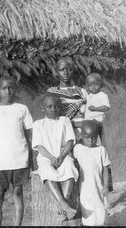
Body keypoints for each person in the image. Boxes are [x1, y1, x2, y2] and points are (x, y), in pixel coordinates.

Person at [0, 75, 34, 226]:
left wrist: (31, 163)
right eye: (4, 88)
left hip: (19, 159)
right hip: (0, 162)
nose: (8, 91)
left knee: (18, 194)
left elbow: (29, 137)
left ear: (15, 89)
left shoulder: (21, 109)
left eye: (11, 88)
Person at [32, 93, 79, 221]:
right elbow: (39, 146)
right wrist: (52, 158)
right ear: (43, 109)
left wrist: (62, 156)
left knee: (70, 168)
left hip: (63, 155)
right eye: (49, 107)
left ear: (61, 108)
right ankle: (64, 205)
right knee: (46, 171)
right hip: (46, 157)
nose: (53, 109)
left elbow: (70, 141)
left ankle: (62, 210)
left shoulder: (65, 121)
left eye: (57, 107)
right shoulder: (38, 124)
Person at [73, 120, 111, 226]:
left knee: (101, 214)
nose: (90, 140)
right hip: (84, 189)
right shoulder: (77, 149)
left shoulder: (101, 150)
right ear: (81, 136)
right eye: (87, 138)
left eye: (94, 137)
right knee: (89, 216)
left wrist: (106, 186)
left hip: (99, 187)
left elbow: (105, 169)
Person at [47, 57, 88, 122]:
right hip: (61, 128)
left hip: (80, 129)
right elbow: (50, 118)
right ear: (56, 72)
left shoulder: (81, 92)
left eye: (69, 69)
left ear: (73, 71)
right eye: (62, 70)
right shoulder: (52, 93)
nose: (65, 73)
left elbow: (88, 114)